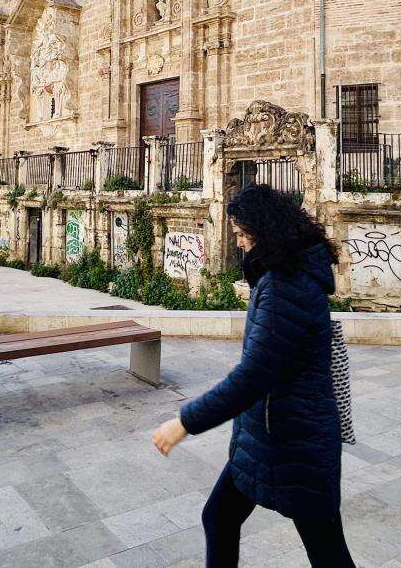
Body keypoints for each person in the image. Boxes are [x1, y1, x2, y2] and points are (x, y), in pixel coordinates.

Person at [152, 185, 355, 567]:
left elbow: (253, 375)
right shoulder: (283, 274)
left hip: (295, 442)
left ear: (267, 232)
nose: (241, 245)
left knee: (326, 550)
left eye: (243, 235)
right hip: (266, 435)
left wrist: (184, 422)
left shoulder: (285, 286)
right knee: (220, 517)